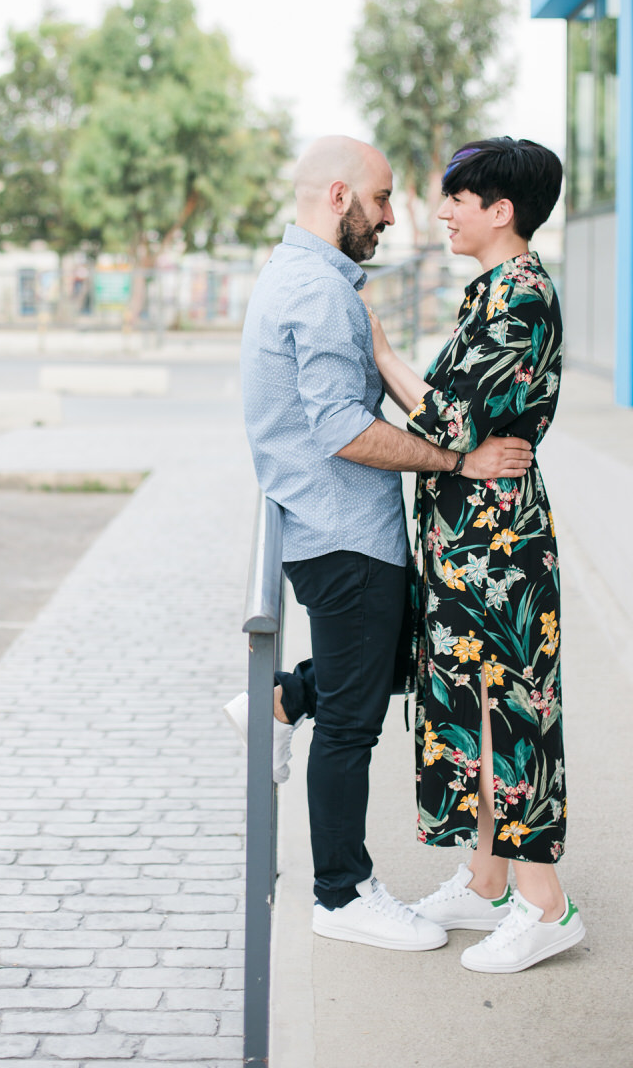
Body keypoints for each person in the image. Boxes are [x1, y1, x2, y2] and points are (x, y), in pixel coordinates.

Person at [234, 135, 533, 952]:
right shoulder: (322, 294)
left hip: (333, 532)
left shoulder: (296, 276)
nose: (395, 216)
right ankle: (342, 893)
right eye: (384, 198)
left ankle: (288, 696)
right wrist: (459, 458)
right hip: (346, 536)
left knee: (390, 664)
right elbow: (344, 430)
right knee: (354, 724)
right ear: (339, 197)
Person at [370, 136, 585, 973]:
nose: (446, 210)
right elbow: (464, 428)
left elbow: (451, 421)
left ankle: (545, 902)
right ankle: (487, 879)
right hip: (467, 540)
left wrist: (382, 350)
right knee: (470, 709)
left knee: (511, 716)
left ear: (504, 211)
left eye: (461, 197)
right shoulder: (489, 291)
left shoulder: (522, 296)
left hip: (500, 549)